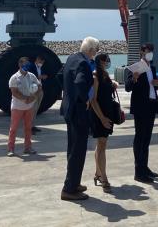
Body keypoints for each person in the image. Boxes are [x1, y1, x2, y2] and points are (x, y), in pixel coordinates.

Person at [60, 36, 99, 201]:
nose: (95, 55)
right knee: (78, 151)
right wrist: (87, 99)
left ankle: (73, 182)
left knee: (72, 148)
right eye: (96, 51)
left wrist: (68, 95)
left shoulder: (71, 58)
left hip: (69, 110)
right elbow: (81, 83)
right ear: (90, 50)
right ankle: (69, 189)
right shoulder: (83, 63)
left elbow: (59, 76)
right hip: (79, 112)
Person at [125, 43, 158, 183]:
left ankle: (144, 167)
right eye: (147, 51)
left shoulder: (152, 67)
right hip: (140, 107)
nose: (150, 53)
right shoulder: (134, 67)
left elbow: (153, 86)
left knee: (146, 139)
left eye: (151, 51)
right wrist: (134, 78)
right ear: (141, 52)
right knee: (140, 138)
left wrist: (157, 83)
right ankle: (138, 171)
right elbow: (128, 87)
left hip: (151, 105)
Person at [89, 53, 115, 193]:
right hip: (99, 114)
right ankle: (103, 177)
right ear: (100, 62)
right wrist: (102, 118)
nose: (108, 62)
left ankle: (98, 173)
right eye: (106, 61)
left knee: (101, 144)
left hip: (108, 112)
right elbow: (93, 100)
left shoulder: (105, 74)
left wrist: (114, 85)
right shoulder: (95, 77)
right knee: (102, 144)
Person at [7, 57, 41, 157]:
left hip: (29, 107)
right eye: (23, 64)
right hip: (17, 107)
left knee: (28, 128)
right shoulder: (14, 78)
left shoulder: (32, 76)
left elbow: (39, 87)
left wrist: (33, 97)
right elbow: (14, 92)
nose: (25, 66)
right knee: (13, 129)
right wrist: (26, 99)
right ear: (19, 65)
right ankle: (11, 149)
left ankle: (28, 148)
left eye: (26, 64)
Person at [29, 54, 49, 134]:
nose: (41, 63)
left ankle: (32, 126)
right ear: (37, 59)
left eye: (43, 62)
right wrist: (39, 76)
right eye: (40, 61)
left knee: (36, 109)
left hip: (39, 90)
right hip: (33, 91)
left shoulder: (40, 67)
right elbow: (29, 77)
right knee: (32, 109)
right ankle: (29, 127)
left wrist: (44, 76)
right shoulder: (31, 66)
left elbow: (41, 76)